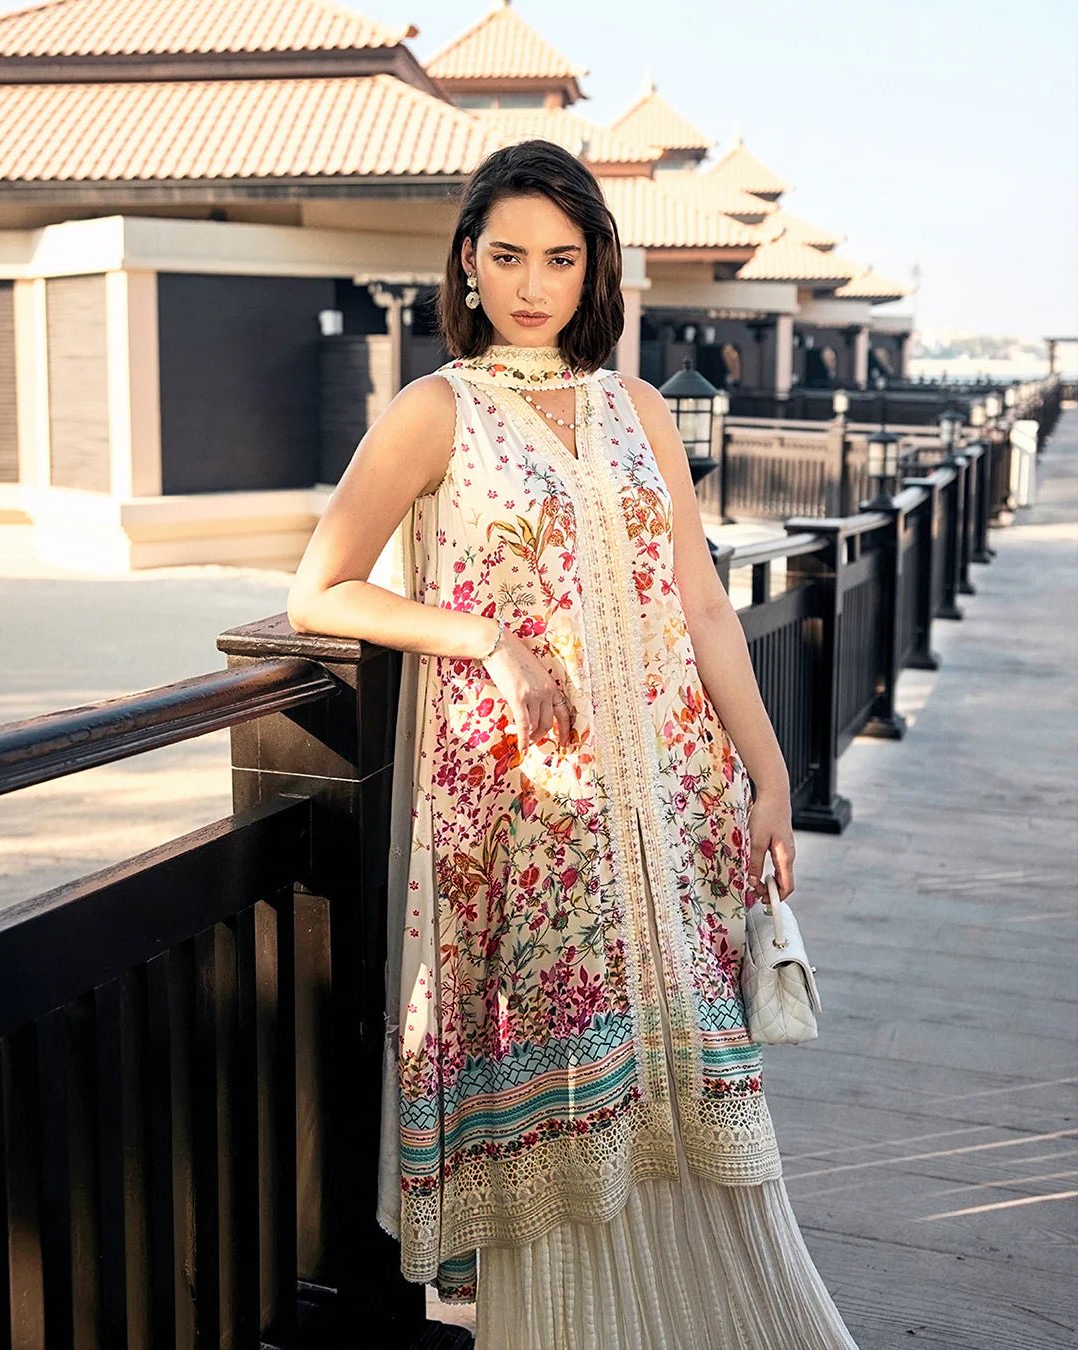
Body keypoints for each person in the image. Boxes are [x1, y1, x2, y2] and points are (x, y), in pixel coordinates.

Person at [287, 139, 859, 1350]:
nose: (533, 283)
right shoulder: (434, 412)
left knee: (693, 1088)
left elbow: (702, 605)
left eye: (560, 256)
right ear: (469, 262)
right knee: (562, 1089)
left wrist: (768, 777)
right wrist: (482, 636)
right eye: (507, 256)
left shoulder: (636, 405)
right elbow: (320, 592)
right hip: (529, 816)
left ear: (593, 265)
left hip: (675, 805)